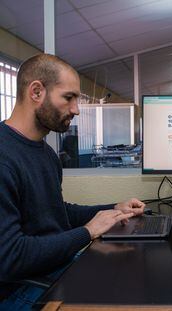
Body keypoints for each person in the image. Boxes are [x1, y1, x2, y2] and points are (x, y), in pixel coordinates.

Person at [0, 54, 145, 310]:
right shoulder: (4, 156)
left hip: (53, 270)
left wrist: (113, 210)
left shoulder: (45, 153)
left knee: (135, 271)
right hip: (23, 288)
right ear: (36, 92)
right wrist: (88, 231)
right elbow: (10, 256)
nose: (77, 109)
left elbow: (54, 210)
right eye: (69, 98)